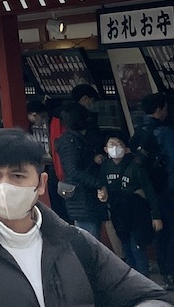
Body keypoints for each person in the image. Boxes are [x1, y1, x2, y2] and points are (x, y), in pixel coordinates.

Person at [0, 127, 169, 307]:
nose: (4, 186)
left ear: (41, 183)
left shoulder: (77, 244)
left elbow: (148, 296)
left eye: (18, 176)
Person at [134, 93, 174, 294]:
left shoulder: (138, 131)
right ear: (160, 109)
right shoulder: (165, 132)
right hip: (169, 189)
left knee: (160, 233)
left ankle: (165, 275)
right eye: (165, 108)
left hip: (149, 191)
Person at [100, 132, 160, 277]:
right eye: (111, 145)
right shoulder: (105, 167)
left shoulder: (135, 166)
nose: (115, 148)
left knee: (137, 246)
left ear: (126, 149)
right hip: (118, 213)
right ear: (105, 149)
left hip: (137, 213)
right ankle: (132, 280)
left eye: (119, 145)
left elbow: (149, 191)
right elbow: (103, 188)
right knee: (126, 246)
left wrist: (156, 216)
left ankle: (143, 279)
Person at [53, 102, 107, 241]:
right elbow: (72, 170)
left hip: (85, 194)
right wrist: (98, 183)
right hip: (81, 196)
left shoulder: (76, 139)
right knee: (90, 240)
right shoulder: (69, 141)